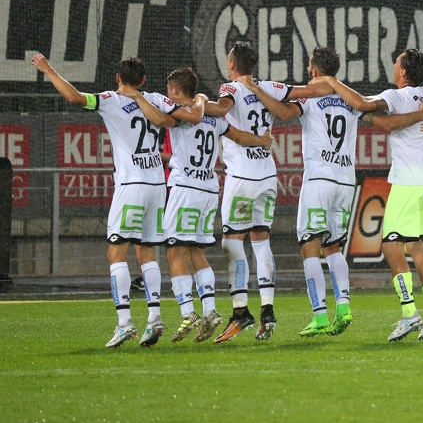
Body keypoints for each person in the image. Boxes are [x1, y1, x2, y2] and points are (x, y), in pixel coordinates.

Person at [242, 47, 423, 338]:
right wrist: (419, 115)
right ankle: (343, 309)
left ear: (315, 71)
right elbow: (384, 123)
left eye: (310, 69)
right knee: (333, 246)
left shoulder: (310, 96)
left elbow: (282, 112)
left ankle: (320, 316)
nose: (309, 73)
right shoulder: (351, 100)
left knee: (309, 245)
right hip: (346, 181)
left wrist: (255, 88)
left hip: (319, 178)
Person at [30, 54, 201, 348]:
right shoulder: (156, 99)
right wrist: (197, 100)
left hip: (131, 185)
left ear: (117, 77)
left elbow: (74, 97)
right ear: (144, 80)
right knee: (147, 253)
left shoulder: (110, 98)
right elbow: (182, 115)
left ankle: (124, 324)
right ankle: (155, 319)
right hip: (157, 185)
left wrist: (48, 69)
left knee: (116, 253)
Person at [324, 50, 423, 342]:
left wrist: (333, 82)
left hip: (410, 182)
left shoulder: (397, 97)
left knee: (390, 246)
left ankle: (410, 313)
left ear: (403, 72)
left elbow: (363, 105)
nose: (394, 66)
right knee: (416, 246)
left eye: (396, 63)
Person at [131, 67, 269, 343]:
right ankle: (210, 311)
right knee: (197, 252)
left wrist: (137, 97)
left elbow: (159, 119)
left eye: (170, 89)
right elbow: (240, 137)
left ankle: (187, 313)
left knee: (174, 252)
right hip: (208, 189)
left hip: (185, 189)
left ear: (175, 90)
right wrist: (262, 141)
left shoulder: (180, 113)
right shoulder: (212, 116)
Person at [204, 42, 298, 343]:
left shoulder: (230, 89)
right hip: (268, 176)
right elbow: (302, 93)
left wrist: (193, 105)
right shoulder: (268, 86)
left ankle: (240, 311)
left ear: (232, 64)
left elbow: (221, 110)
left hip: (242, 178)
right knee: (260, 240)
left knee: (232, 241)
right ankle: (267, 309)